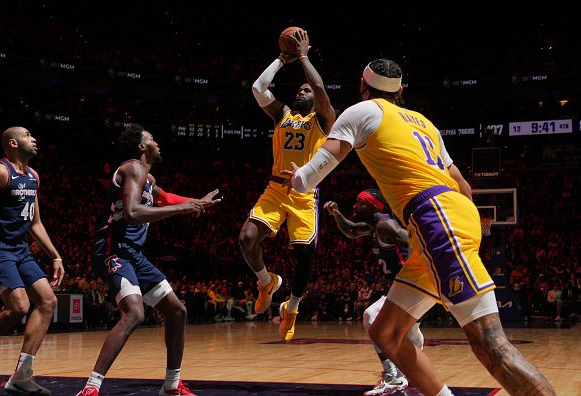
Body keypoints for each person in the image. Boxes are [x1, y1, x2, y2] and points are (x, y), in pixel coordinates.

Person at [284, 59, 555, 395]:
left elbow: (319, 167)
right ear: (400, 90)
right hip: (452, 216)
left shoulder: (363, 110)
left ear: (362, 85)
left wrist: (298, 178)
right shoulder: (425, 123)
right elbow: (463, 187)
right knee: (386, 332)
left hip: (435, 218)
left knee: (492, 346)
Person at [76, 124, 220, 396]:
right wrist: (183, 208)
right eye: (152, 138)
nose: (157, 142)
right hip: (113, 249)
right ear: (142, 147)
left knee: (177, 312)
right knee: (135, 313)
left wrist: (197, 201)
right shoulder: (133, 168)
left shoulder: (148, 179)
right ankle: (92, 388)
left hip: (134, 254)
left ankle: (171, 384)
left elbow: (164, 198)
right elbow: (131, 212)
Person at [238, 28, 335, 341]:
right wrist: (282, 59)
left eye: (306, 91)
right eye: (300, 90)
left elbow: (320, 88)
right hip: (276, 189)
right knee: (246, 238)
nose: (302, 92)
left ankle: (291, 308)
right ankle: (267, 282)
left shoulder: (322, 120)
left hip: (305, 194)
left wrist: (304, 57)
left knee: (304, 258)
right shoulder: (282, 114)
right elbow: (258, 87)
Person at [0, 126, 65, 396]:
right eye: (28, 135)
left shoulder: (33, 176)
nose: (34, 138)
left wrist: (55, 255)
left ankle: (22, 376)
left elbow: (36, 223)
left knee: (47, 301)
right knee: (19, 306)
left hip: (20, 248)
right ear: (12, 143)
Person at [325, 189, 423, 395]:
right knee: (411, 334)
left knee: (371, 315)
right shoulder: (374, 226)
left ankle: (393, 376)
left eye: (360, 203)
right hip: (407, 287)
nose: (354, 206)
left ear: (373, 206)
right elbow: (351, 231)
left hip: (410, 285)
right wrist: (336, 214)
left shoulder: (385, 225)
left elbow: (415, 240)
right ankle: (411, 374)